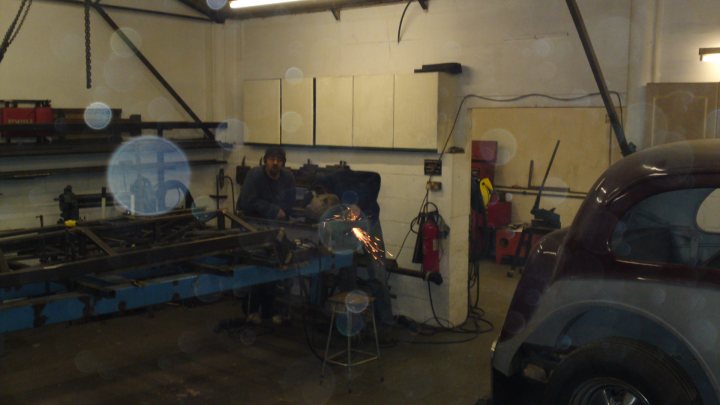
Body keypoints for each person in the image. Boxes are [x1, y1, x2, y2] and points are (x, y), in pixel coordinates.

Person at [237, 147, 296, 325]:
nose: (275, 162)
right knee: (259, 267)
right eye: (271, 159)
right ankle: (253, 310)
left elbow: (289, 201)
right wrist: (272, 210)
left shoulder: (288, 178)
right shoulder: (255, 176)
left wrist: (282, 212)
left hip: (275, 228)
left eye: (278, 159)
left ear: (283, 163)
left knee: (276, 268)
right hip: (252, 225)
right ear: (265, 161)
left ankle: (270, 312)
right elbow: (247, 202)